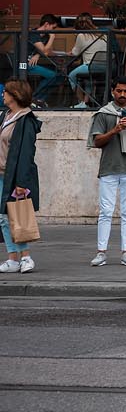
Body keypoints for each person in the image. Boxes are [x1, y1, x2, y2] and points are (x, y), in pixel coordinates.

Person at [87, 78, 126, 266]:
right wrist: (115, 129)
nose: (122, 95)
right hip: (109, 168)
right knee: (105, 211)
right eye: (119, 91)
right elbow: (97, 141)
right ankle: (101, 252)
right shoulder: (103, 114)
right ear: (113, 91)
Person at [0, 80, 42, 274]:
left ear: (15, 95)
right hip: (1, 174)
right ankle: (12, 258)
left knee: (16, 217)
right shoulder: (6, 115)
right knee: (3, 218)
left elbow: (26, 153)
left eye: (6, 92)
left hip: (14, 177)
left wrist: (21, 183)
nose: (3, 94)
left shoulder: (26, 119)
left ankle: (26, 257)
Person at [66, 12, 109, 109]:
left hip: (90, 66)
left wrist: (70, 51)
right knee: (88, 79)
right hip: (105, 67)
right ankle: (86, 102)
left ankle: (81, 102)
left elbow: (75, 53)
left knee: (72, 76)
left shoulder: (82, 35)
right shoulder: (102, 35)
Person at [26, 13, 63, 104]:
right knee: (52, 75)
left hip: (35, 63)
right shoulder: (34, 34)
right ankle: (34, 99)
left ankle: (40, 99)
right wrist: (52, 38)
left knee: (60, 77)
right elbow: (45, 52)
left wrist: (38, 54)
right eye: (53, 28)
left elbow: (47, 51)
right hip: (24, 64)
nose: (54, 31)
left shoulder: (45, 36)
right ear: (46, 24)